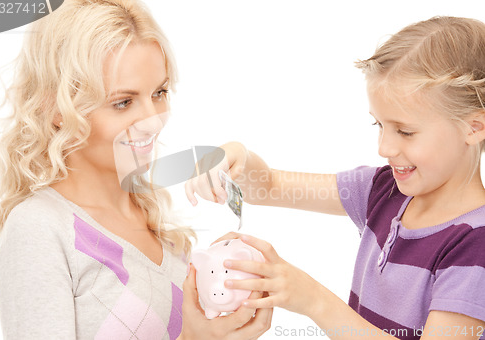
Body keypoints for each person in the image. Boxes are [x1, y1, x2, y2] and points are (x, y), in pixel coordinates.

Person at [0, 0, 272, 338]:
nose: (153, 123)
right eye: (123, 102)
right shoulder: (38, 229)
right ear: (57, 107)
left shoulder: (150, 211)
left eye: (160, 92)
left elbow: (261, 180)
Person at [186, 16, 485, 339]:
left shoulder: (475, 245)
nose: (384, 147)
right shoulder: (383, 191)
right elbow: (270, 186)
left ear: (474, 127)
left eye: (405, 131)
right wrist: (237, 157)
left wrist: (314, 300)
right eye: (379, 126)